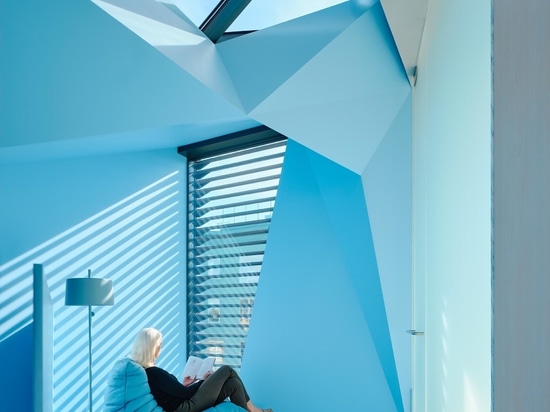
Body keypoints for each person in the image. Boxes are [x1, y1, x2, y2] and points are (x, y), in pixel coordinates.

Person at [130, 327, 272, 412]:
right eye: (159, 345)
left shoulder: (147, 373)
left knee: (232, 384)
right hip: (186, 408)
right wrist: (204, 380)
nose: (160, 349)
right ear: (152, 347)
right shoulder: (153, 372)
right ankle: (254, 410)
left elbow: (172, 393)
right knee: (226, 370)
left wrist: (185, 383)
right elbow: (185, 394)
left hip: (183, 405)